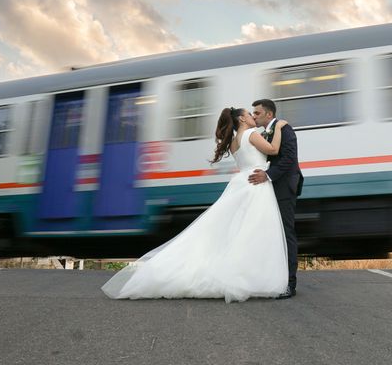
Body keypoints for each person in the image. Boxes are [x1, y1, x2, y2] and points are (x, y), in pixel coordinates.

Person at [101, 107, 290, 303]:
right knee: (252, 232)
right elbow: (274, 150)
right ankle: (248, 276)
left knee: (237, 232)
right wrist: (279, 128)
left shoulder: (234, 142)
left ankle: (245, 275)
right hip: (255, 185)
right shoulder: (251, 134)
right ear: (242, 119)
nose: (253, 117)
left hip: (243, 182)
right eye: (250, 115)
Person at [249, 99, 303, 299]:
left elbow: (289, 159)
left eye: (257, 113)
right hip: (269, 188)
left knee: (286, 233)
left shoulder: (285, 129)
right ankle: (274, 278)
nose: (254, 116)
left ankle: (290, 284)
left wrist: (268, 175)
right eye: (253, 113)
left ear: (268, 115)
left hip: (283, 188)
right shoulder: (264, 133)